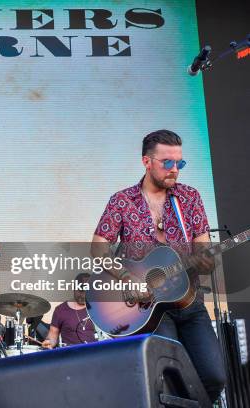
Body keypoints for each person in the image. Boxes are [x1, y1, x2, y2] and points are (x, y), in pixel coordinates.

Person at [91, 129, 226, 402]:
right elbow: (98, 248)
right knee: (168, 380)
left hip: (189, 304)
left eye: (180, 163)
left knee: (214, 377)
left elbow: (204, 254)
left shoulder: (190, 198)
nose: (175, 169)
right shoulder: (122, 201)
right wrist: (128, 278)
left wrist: (206, 260)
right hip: (150, 310)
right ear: (146, 161)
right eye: (167, 163)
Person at [41, 273, 96, 348]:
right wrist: (49, 342)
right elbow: (52, 336)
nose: (82, 295)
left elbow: (111, 333)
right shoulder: (60, 310)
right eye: (80, 291)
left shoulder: (97, 309)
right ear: (74, 288)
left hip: (94, 354)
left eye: (85, 292)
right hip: (71, 356)